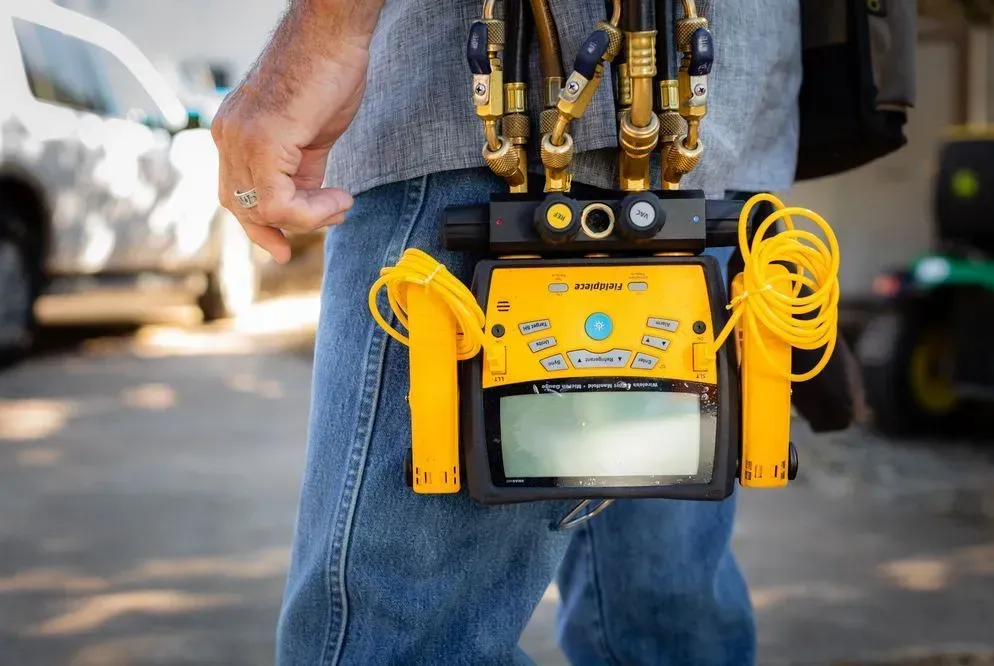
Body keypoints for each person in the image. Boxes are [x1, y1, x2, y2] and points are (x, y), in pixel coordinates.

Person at [211, 0, 802, 663]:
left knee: (396, 641)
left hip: (472, 140)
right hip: (724, 153)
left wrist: (319, 40)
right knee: (664, 620)